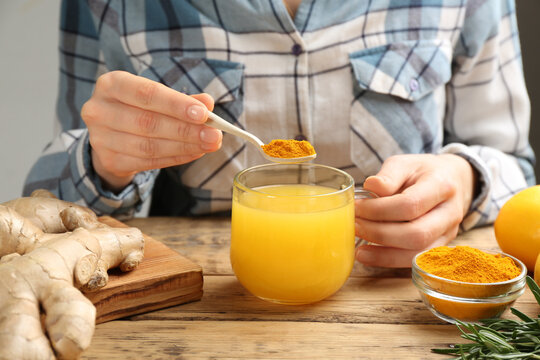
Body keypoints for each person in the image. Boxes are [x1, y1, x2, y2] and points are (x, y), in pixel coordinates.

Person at [24, 0, 535, 268]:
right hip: (209, 299)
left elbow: (515, 164)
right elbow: (47, 206)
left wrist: (466, 177)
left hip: (391, 288)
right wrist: (104, 163)